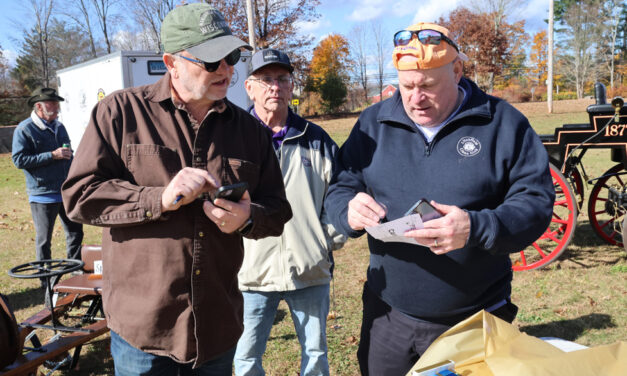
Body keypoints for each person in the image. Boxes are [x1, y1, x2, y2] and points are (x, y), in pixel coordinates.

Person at [61, 4, 292, 375]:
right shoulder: (120, 113)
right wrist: (158, 198)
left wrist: (249, 218)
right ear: (172, 62)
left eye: (231, 56)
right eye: (211, 61)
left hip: (216, 328)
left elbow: (278, 210)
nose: (227, 70)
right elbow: (80, 195)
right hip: (145, 331)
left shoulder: (250, 132)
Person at [324, 22, 555, 375]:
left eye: (428, 86)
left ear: (457, 71)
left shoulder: (503, 123)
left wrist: (476, 226)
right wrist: (348, 209)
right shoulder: (373, 123)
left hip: (476, 319)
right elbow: (341, 185)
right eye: (406, 87)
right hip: (388, 317)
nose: (416, 98)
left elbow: (536, 203)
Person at [234, 49, 346, 376]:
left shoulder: (317, 139)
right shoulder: (233, 139)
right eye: (266, 79)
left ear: (292, 86)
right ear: (249, 87)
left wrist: (324, 241)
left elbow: (340, 194)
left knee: (315, 355)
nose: (275, 87)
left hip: (308, 270)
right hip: (249, 274)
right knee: (245, 358)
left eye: (282, 79)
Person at [12, 87, 84, 288]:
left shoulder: (59, 126)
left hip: (66, 192)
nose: (57, 108)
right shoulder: (24, 129)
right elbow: (19, 160)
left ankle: (74, 272)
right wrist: (52, 155)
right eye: (52, 104)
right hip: (42, 195)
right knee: (44, 241)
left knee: (76, 233)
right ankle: (45, 281)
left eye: (57, 104)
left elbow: (68, 151)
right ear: (39, 106)